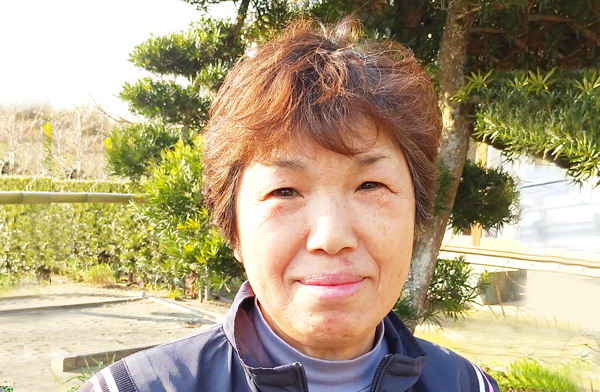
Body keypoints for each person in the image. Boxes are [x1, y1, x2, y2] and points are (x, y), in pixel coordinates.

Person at [79, 19, 499, 392]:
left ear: (417, 214)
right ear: (232, 228)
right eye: (284, 191)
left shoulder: (467, 385)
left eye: (370, 185)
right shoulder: (130, 389)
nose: (331, 237)